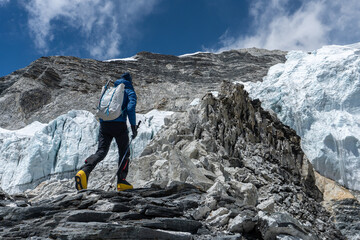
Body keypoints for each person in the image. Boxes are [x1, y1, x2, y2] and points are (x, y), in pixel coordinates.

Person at [75, 72, 137, 191]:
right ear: (130, 82)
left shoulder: (112, 90)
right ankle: (121, 181)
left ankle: (84, 171)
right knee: (124, 152)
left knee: (101, 151)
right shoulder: (129, 91)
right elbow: (130, 108)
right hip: (119, 125)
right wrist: (133, 127)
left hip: (104, 125)